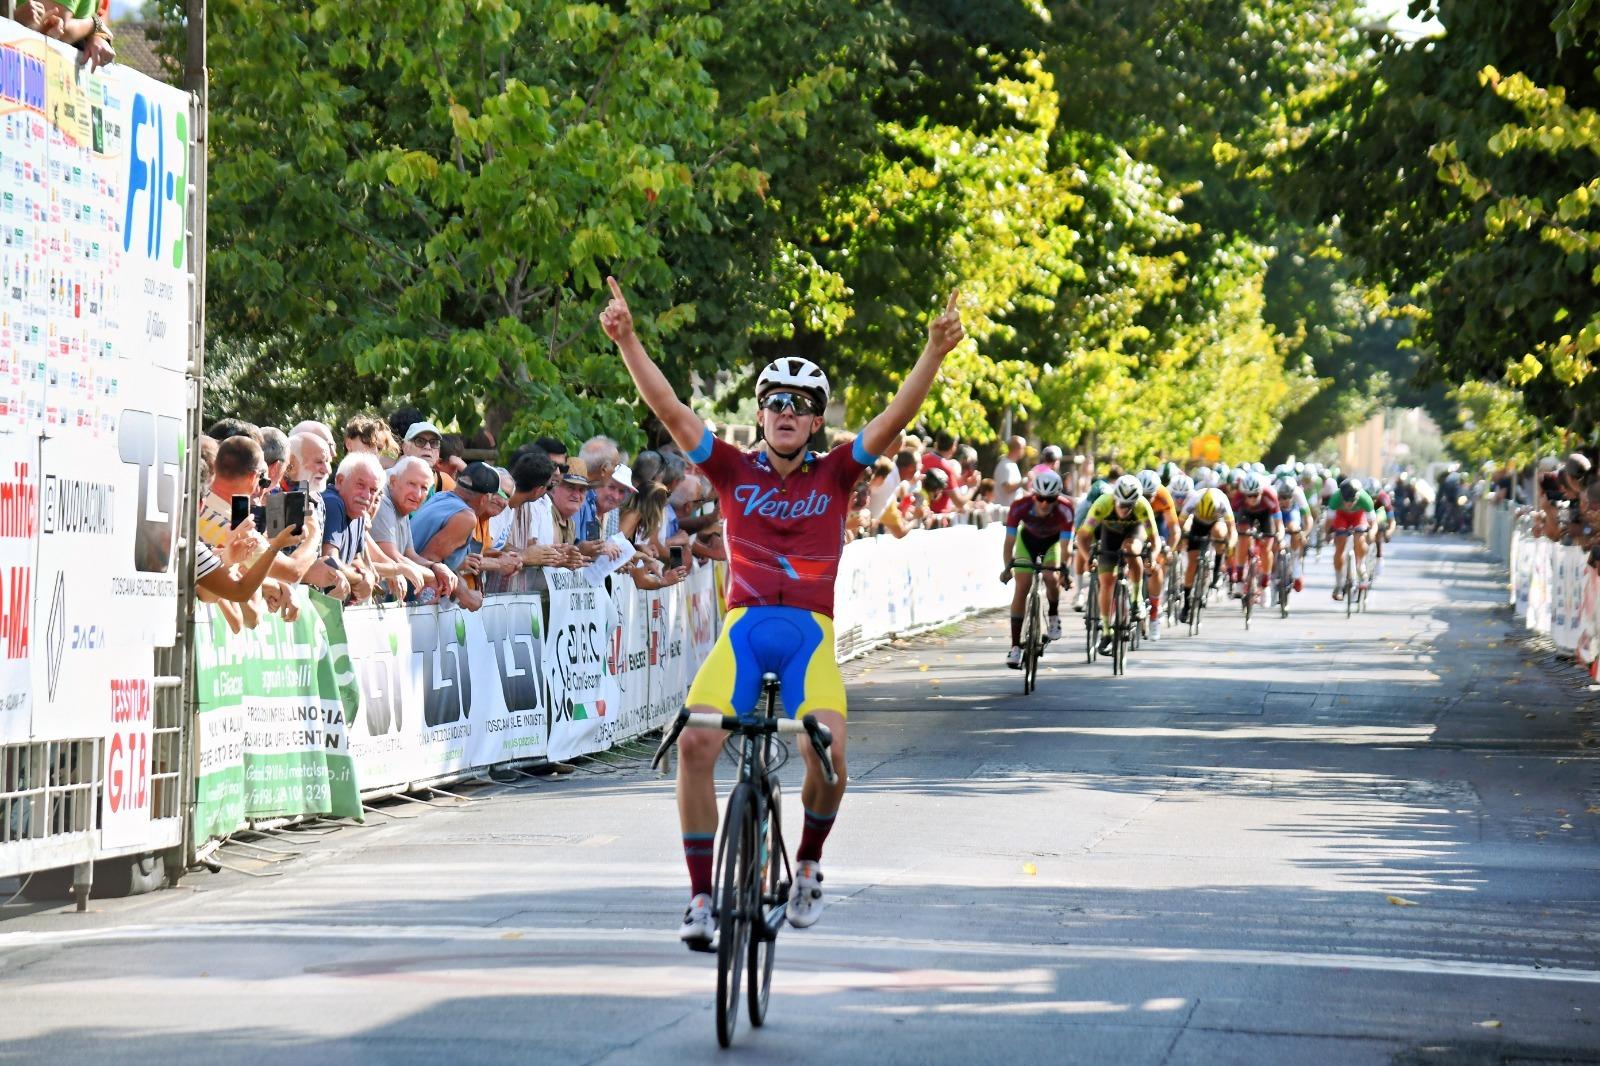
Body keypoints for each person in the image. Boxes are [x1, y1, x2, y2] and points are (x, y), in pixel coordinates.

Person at [601, 275, 965, 949]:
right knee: (696, 742)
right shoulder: (733, 469)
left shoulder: (838, 475)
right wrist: (627, 340)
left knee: (825, 756)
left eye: (801, 404)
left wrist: (933, 357)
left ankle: (807, 866)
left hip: (808, 639)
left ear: (817, 418)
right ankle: (703, 898)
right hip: (745, 633)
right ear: (761, 413)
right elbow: (672, 408)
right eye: (774, 402)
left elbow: (894, 419)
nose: (786, 412)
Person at [1074, 474, 1158, 656]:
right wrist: (1088, 557)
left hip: (1133, 533)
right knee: (1106, 582)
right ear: (1115, 498)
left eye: (1129, 506)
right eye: (1121, 504)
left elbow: (1154, 539)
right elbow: (1082, 537)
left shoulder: (1143, 505)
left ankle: (1136, 601)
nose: (1124, 509)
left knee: (1132, 550)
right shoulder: (1103, 503)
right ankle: (1106, 632)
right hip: (1109, 536)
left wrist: (1153, 558)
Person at [1000, 470, 1073, 667]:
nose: (1044, 504)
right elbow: (1009, 542)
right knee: (1022, 585)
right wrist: (1008, 567)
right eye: (1040, 498)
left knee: (1051, 575)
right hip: (1027, 542)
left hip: (1052, 544)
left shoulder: (1066, 510)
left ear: (1057, 498)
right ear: (1034, 495)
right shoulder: (1019, 507)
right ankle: (1015, 647)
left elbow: (1066, 547)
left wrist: (1065, 571)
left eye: (1050, 499)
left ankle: (1054, 615)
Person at [1177, 485, 1235, 624]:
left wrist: (1230, 545)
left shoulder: (1223, 501)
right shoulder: (1193, 500)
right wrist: (1181, 540)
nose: (1206, 517)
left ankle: (1216, 569)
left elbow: (1232, 531)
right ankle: (1186, 603)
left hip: (1217, 523)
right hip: (1197, 525)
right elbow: (1179, 526)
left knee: (1220, 533)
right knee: (1192, 563)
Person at [1327, 477, 1375, 600]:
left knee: (1360, 537)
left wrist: (1371, 534)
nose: (1348, 504)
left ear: (1357, 496)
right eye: (1346, 501)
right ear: (1341, 496)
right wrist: (1327, 533)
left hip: (1358, 517)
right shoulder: (1335, 498)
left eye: (1352, 501)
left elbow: (1373, 524)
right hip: (1341, 517)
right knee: (1340, 543)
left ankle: (1360, 565)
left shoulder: (1365, 499)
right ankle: (1339, 583)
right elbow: (1328, 522)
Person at [992, 436, 1026, 510]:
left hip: (1011, 511)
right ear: (1018, 448)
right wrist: (1023, 481)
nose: (1024, 451)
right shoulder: (1005, 465)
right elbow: (1007, 488)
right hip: (1005, 513)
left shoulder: (1012, 464)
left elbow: (1015, 488)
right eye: (1023, 448)